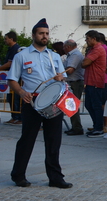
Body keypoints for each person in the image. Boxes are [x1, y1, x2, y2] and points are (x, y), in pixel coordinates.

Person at [8, 18, 71, 188]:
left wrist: (60, 78)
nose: (45, 36)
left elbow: (61, 77)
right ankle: (18, 175)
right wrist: (21, 92)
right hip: (32, 101)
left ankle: (55, 177)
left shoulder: (54, 56)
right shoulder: (22, 55)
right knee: (27, 139)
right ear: (34, 35)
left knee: (53, 140)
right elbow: (12, 79)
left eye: (47, 34)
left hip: (53, 101)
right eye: (41, 33)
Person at [82, 30, 107, 137]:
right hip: (90, 82)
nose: (86, 40)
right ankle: (97, 125)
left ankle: (99, 128)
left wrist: (84, 61)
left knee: (96, 106)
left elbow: (85, 63)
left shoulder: (97, 49)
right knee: (88, 104)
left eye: (87, 38)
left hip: (96, 82)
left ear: (93, 38)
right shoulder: (92, 49)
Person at [0, 31, 22, 125]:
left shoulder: (16, 49)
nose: (5, 40)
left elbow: (10, 63)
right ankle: (14, 116)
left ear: (11, 39)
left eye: (6, 38)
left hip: (15, 77)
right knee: (10, 97)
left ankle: (18, 117)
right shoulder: (10, 49)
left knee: (15, 98)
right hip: (10, 76)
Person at [62, 39, 86, 135]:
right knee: (71, 105)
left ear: (68, 47)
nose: (63, 49)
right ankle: (75, 126)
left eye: (64, 47)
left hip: (75, 82)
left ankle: (77, 127)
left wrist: (59, 73)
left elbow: (70, 69)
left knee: (73, 106)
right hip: (73, 82)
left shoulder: (75, 55)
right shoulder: (72, 55)